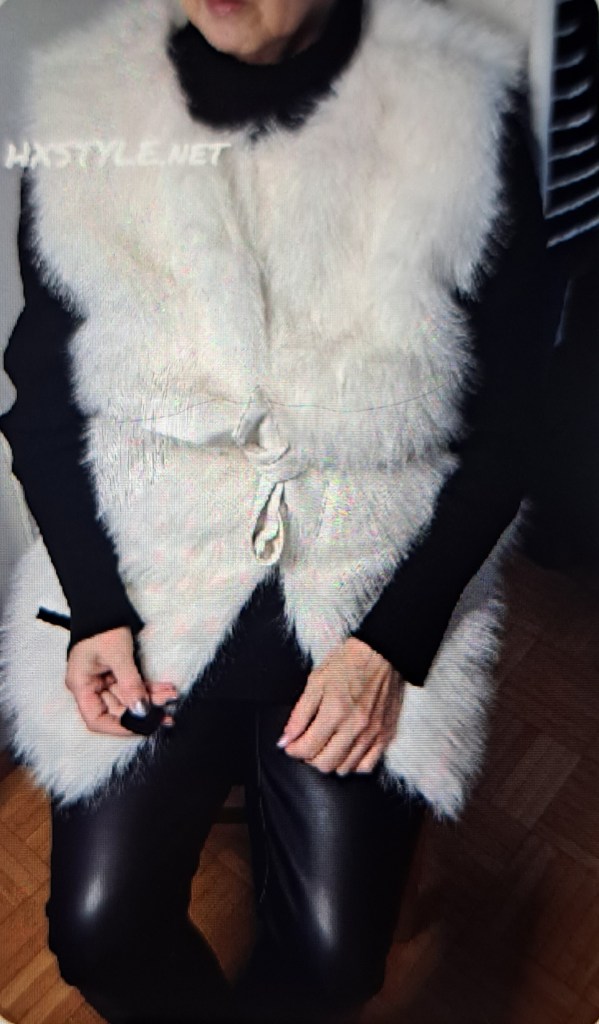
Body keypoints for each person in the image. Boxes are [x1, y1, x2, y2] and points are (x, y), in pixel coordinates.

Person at [0, 0, 554, 1021]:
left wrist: (389, 642)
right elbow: (41, 397)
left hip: (370, 568)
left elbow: (513, 418)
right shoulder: (85, 109)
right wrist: (94, 608)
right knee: (96, 929)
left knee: (334, 959)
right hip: (150, 562)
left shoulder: (462, 108)